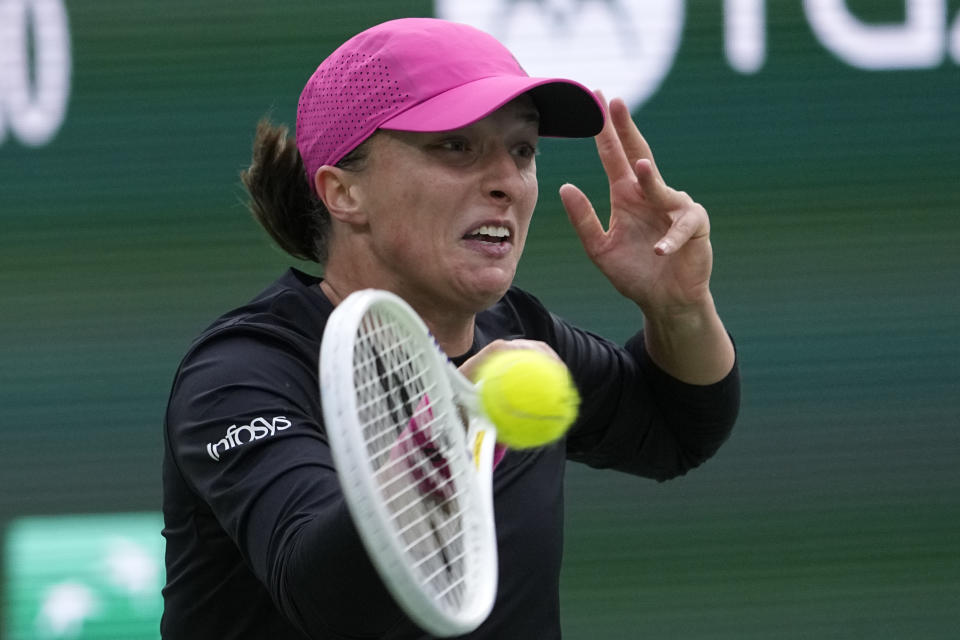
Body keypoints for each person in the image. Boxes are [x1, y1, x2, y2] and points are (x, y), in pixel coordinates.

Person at [161, 17, 739, 640]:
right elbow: (323, 594)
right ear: (343, 192)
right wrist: (456, 423)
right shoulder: (243, 373)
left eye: (522, 151)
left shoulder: (517, 331)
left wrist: (679, 309)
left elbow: (675, 428)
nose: (506, 183)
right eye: (455, 146)